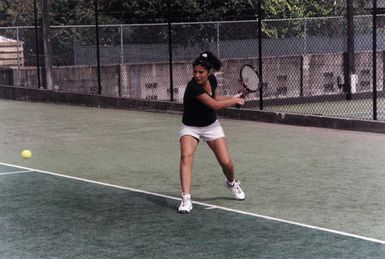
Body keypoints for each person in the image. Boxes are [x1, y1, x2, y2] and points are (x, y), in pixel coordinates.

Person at [178, 51, 245, 213]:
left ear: (209, 72)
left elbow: (216, 98)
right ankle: (186, 199)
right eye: (195, 72)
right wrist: (235, 101)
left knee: (226, 163)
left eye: (201, 72)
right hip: (191, 127)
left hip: (210, 126)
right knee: (186, 156)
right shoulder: (193, 87)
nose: (197, 75)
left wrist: (233, 96)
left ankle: (231, 183)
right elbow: (214, 106)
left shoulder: (213, 80)